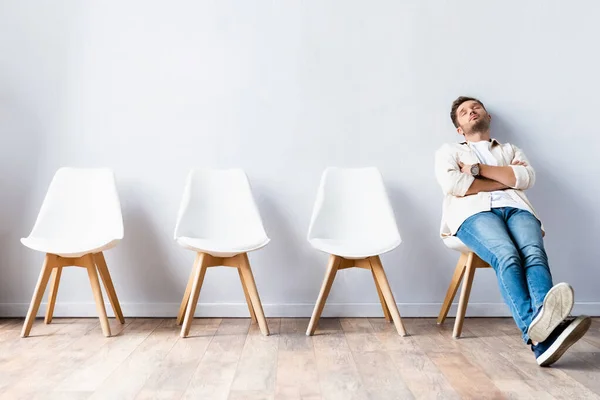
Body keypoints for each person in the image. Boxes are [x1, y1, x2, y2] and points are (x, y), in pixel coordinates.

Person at [434, 96, 591, 367]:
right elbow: (454, 184)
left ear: (487, 116)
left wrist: (477, 171)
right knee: (507, 255)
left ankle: (544, 329)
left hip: (517, 209)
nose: (471, 112)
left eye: (476, 107)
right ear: (459, 128)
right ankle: (542, 333)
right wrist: (505, 180)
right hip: (473, 213)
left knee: (534, 254)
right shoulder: (449, 151)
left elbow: (526, 178)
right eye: (463, 112)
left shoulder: (509, 149)